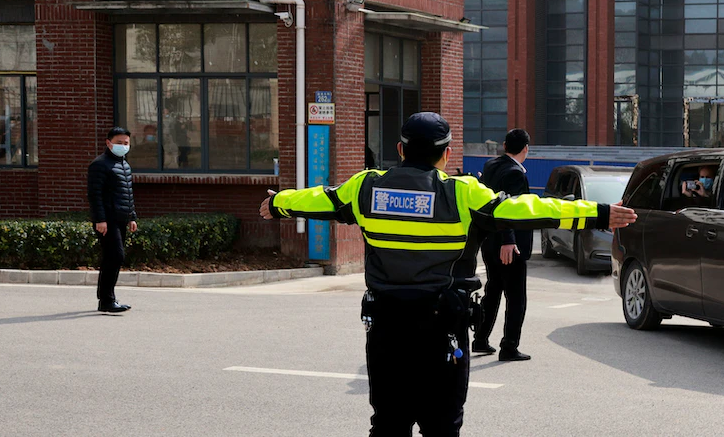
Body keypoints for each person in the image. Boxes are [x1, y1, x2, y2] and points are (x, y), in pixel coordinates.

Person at [260, 112, 636, 437]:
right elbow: (528, 209)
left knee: (388, 425)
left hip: (386, 330)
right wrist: (599, 213)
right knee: (442, 427)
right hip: (441, 329)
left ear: (400, 149)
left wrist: (278, 203)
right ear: (447, 154)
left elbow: (320, 198)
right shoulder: (461, 193)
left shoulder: (366, 186)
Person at [473, 128, 533, 362]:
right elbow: (507, 208)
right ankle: (509, 346)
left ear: (505, 146)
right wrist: (509, 240)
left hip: (489, 241)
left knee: (494, 290)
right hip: (509, 245)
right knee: (516, 298)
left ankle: (480, 338)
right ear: (525, 149)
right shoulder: (515, 173)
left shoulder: (491, 166)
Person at [87, 126, 138, 314]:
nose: (123, 146)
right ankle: (107, 300)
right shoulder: (99, 165)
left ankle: (107, 300)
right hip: (107, 220)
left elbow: (127, 194)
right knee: (115, 256)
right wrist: (100, 219)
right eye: (119, 143)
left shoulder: (124, 165)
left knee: (113, 257)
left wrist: (131, 217)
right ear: (108, 143)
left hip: (120, 219)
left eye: (126, 143)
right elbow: (95, 195)